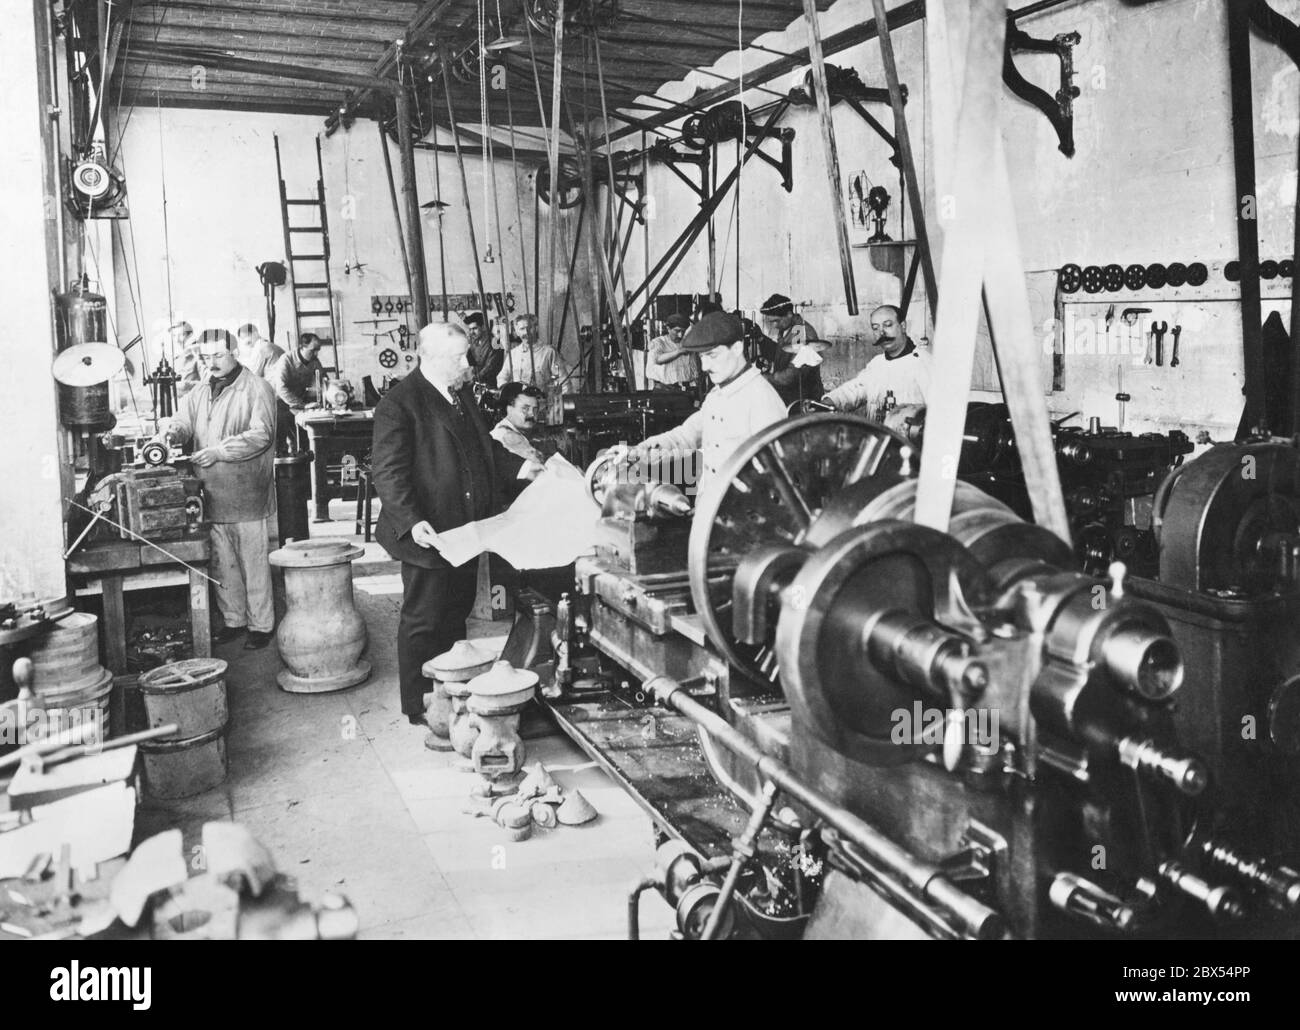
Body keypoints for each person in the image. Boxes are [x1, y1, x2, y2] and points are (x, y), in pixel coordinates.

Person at [371, 322, 542, 727]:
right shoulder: (400, 402)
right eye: (458, 358)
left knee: (455, 612)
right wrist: (412, 522)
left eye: (467, 355)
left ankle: (448, 689)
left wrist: (524, 469)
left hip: (464, 531)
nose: (467, 365)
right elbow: (389, 473)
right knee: (423, 618)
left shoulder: (461, 394)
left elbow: (485, 453)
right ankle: (418, 704)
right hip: (429, 533)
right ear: (428, 357)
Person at [153, 329, 277, 649]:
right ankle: (234, 620)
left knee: (253, 562)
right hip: (211, 492)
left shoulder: (257, 388)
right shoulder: (200, 390)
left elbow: (261, 435)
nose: (212, 363)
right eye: (205, 357)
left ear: (234, 351)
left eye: (218, 355)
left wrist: (219, 451)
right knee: (223, 561)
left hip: (246, 492)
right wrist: (168, 434)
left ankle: (261, 626)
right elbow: (183, 421)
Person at [631, 312, 788, 503]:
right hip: (709, 509)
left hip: (741, 515)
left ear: (737, 348)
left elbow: (777, 476)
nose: (704, 366)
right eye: (702, 357)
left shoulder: (761, 398)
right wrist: (640, 452)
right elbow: (686, 436)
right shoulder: (717, 396)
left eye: (712, 355)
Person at [822, 304, 932, 427]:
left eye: (888, 325)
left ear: (903, 326)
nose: (882, 332)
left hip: (909, 444)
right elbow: (855, 390)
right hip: (878, 439)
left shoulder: (924, 363)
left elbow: (941, 412)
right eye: (875, 328)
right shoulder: (877, 364)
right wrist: (827, 403)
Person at [759, 293, 826, 408]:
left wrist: (767, 378)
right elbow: (782, 354)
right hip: (790, 397)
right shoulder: (788, 328)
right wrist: (761, 339)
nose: (774, 325)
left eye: (777, 321)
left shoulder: (799, 332)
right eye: (772, 322)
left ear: (789, 314)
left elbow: (792, 375)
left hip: (802, 400)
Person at [268, 332, 325, 452]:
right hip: (278, 402)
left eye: (318, 350)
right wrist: (303, 405)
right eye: (313, 350)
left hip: (296, 402)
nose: (316, 354)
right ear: (302, 347)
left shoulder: (314, 361)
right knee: (282, 439)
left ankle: (303, 465)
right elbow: (281, 388)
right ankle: (284, 465)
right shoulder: (286, 360)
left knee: (305, 437)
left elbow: (323, 380)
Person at [497, 314, 560, 388]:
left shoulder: (549, 352)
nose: (526, 332)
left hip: (541, 398)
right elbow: (502, 377)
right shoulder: (513, 354)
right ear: (517, 332)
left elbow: (562, 380)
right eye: (522, 329)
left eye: (529, 328)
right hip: (518, 398)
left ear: (536, 328)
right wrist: (507, 392)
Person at [491, 382, 546, 464]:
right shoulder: (508, 435)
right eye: (525, 408)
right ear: (508, 409)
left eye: (535, 409)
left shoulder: (508, 430)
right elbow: (538, 464)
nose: (531, 414)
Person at [645, 314, 699, 391]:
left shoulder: (688, 343)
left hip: (685, 391)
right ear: (668, 328)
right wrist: (680, 351)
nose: (680, 335)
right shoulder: (658, 342)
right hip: (663, 391)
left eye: (683, 331)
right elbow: (657, 359)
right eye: (677, 331)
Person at [464, 312, 503, 386]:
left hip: (491, 385)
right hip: (477, 382)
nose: (471, 332)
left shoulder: (495, 343)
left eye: (474, 328)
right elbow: (469, 362)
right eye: (470, 329)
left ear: (483, 327)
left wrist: (474, 379)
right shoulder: (474, 342)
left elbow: (490, 367)